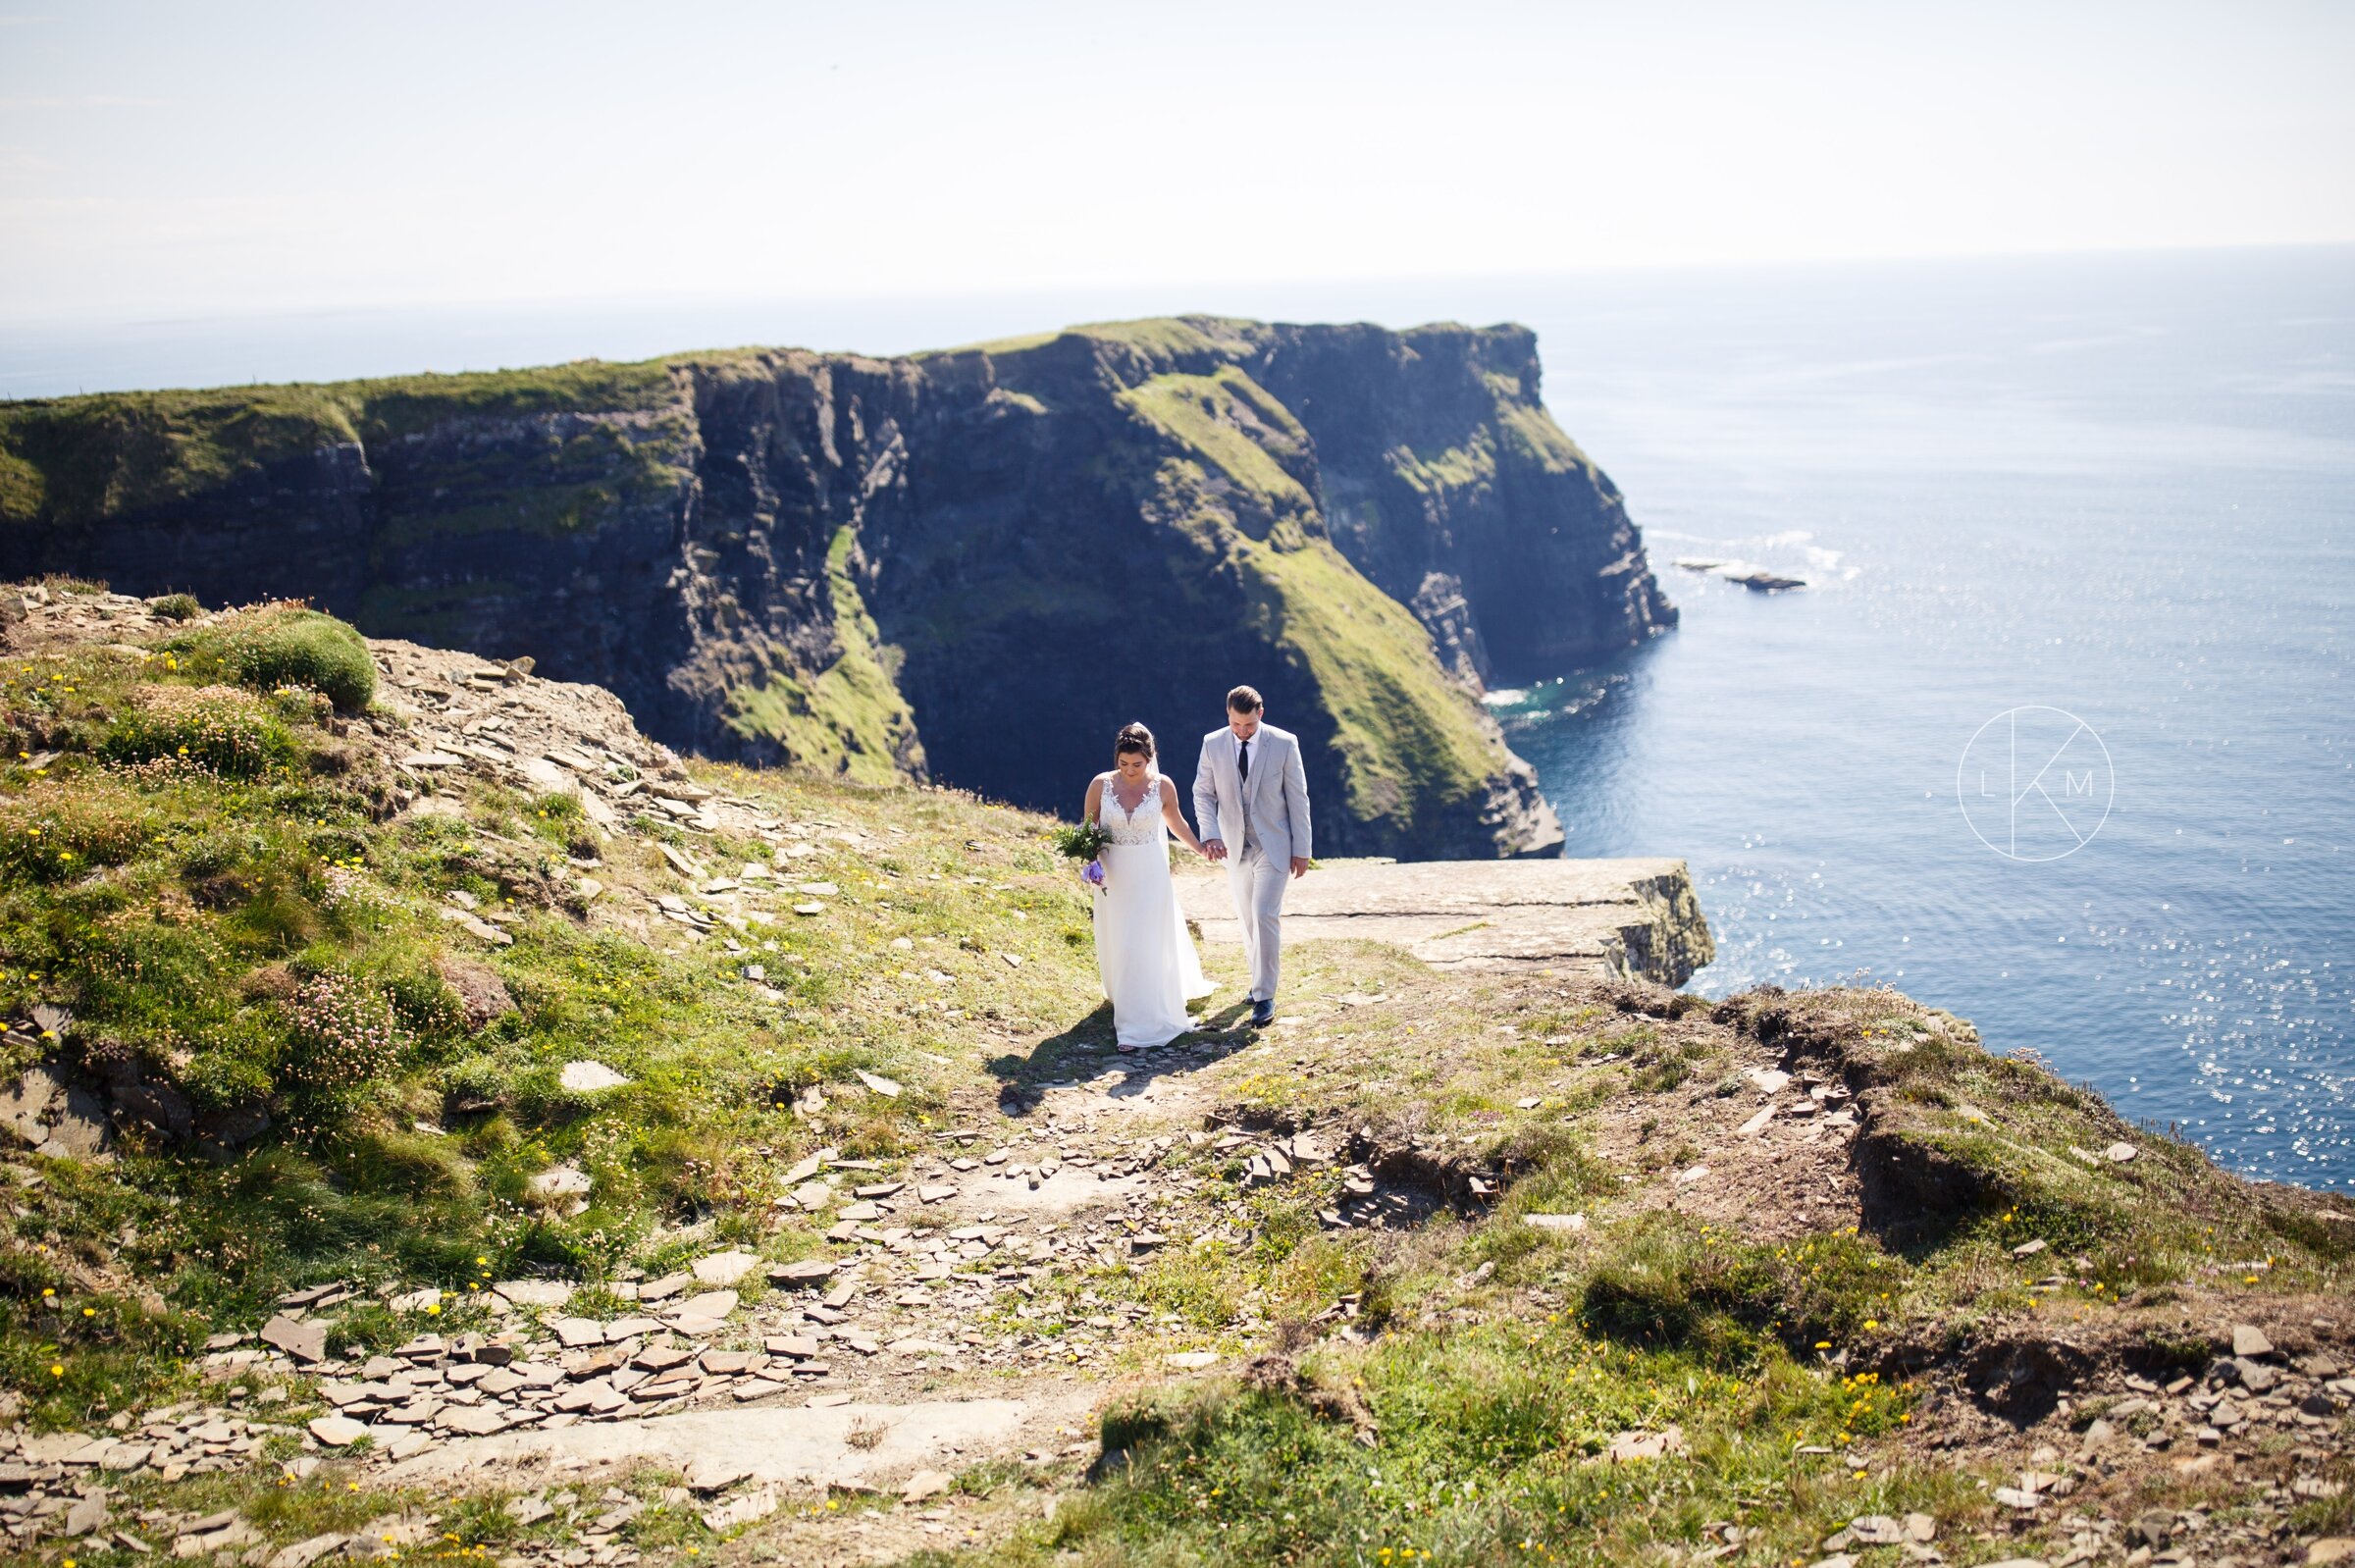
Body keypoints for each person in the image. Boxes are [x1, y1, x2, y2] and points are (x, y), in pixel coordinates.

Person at [1082, 721, 1215, 1050]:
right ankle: (1127, 1005)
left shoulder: (1163, 786)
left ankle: (1135, 1026)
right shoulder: (1100, 785)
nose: (1129, 770)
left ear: (1149, 759)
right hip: (1114, 871)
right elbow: (1088, 827)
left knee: (1147, 941)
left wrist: (1199, 847)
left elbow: (1176, 823)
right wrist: (1090, 860)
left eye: (1137, 765)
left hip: (1150, 872)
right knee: (1123, 941)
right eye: (1123, 764)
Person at [1191, 685, 1311, 1027]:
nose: (1242, 731)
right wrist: (1210, 833)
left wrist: (1302, 849)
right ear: (1228, 715)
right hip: (1233, 844)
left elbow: (1298, 798)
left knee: (1263, 915)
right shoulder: (1212, 743)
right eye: (1235, 724)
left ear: (1261, 713)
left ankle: (1265, 996)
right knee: (1246, 919)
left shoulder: (1285, 743)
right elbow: (1202, 792)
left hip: (1273, 844)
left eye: (1248, 725)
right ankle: (1257, 981)